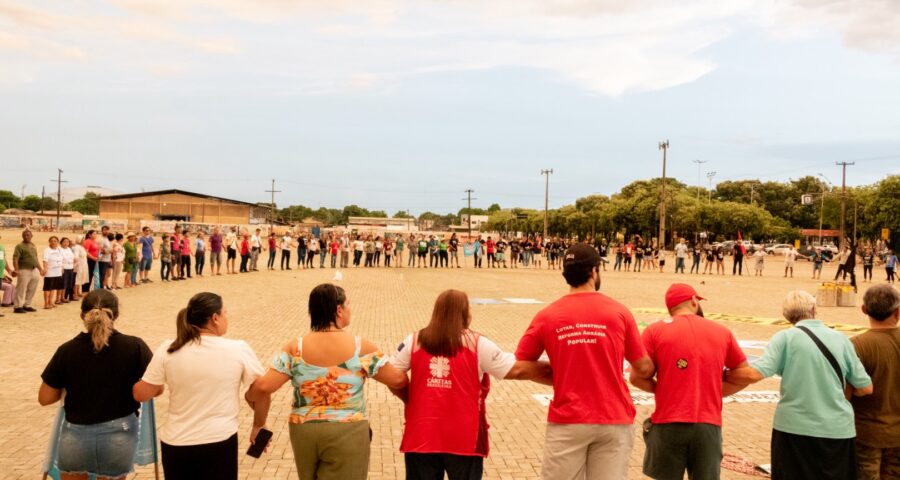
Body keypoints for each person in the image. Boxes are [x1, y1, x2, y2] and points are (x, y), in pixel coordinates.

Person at [516, 244, 654, 480]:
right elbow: (642, 367)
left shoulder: (547, 316)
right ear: (594, 271)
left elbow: (521, 366)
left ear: (566, 275)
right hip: (614, 417)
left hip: (568, 420)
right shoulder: (619, 312)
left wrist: (558, 375)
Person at [245, 284, 409, 480]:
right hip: (347, 430)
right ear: (338, 310)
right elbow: (397, 380)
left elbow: (263, 387)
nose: (350, 308)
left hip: (303, 430)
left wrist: (256, 418)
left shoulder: (294, 347)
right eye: (348, 304)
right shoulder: (361, 347)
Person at [390, 290, 553, 479]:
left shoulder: (413, 341)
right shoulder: (478, 344)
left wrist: (409, 399)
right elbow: (515, 370)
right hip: (464, 437)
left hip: (421, 435)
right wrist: (560, 371)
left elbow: (392, 376)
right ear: (465, 314)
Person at [726, 290, 873, 480]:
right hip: (837, 429)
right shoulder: (841, 339)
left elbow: (754, 374)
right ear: (814, 309)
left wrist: (723, 374)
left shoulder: (785, 338)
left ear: (786, 315)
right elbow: (866, 387)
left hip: (793, 427)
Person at [133, 292, 271, 480]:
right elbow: (263, 390)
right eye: (225, 313)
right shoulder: (237, 349)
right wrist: (258, 425)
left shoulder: (169, 348)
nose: (226, 318)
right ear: (215, 318)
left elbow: (141, 394)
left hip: (176, 443)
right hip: (218, 441)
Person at [631, 284, 748, 480]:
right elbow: (745, 374)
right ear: (694, 301)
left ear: (670, 308)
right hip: (708, 424)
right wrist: (714, 390)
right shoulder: (721, 331)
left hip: (668, 423)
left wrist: (664, 389)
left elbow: (635, 378)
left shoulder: (654, 331)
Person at [39, 290, 153, 480]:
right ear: (116, 315)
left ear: (83, 316)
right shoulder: (135, 346)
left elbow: (45, 398)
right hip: (120, 433)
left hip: (75, 434)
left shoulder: (67, 350)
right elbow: (153, 388)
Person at [850, 285, 900, 480]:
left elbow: (846, 391)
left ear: (864, 309)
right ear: (898, 311)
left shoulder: (856, 345)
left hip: (865, 435)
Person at [13, 230, 43, 314]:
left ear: (31, 236)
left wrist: (40, 269)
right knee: (21, 289)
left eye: (28, 235)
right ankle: (18, 306)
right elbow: (15, 258)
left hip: (34, 270)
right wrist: (16, 269)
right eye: (25, 235)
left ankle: (27, 304)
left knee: (32, 288)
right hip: (23, 270)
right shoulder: (19, 246)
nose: (26, 237)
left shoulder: (33, 245)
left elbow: (35, 259)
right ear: (22, 236)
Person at [42, 236, 64, 309]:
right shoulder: (47, 250)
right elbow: (45, 260)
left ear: (57, 242)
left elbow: (61, 259)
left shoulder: (59, 249)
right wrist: (45, 269)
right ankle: (46, 303)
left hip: (57, 271)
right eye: (52, 241)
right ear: (49, 242)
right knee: (47, 288)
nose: (53, 242)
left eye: (55, 241)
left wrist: (61, 268)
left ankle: (50, 302)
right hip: (50, 271)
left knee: (53, 288)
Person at [72, 235, 88, 301]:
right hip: (79, 265)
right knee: (77, 280)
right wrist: (77, 264)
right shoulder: (77, 247)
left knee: (80, 279)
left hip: (83, 265)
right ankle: (75, 294)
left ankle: (78, 292)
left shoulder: (82, 247)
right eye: (83, 240)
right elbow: (75, 256)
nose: (84, 241)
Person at [60, 237, 76, 302]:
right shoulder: (59, 249)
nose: (66, 243)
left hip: (71, 268)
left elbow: (73, 257)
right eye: (64, 242)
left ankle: (66, 296)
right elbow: (61, 259)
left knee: (69, 283)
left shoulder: (69, 249)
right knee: (64, 284)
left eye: (67, 242)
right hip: (64, 268)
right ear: (61, 243)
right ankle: (62, 297)